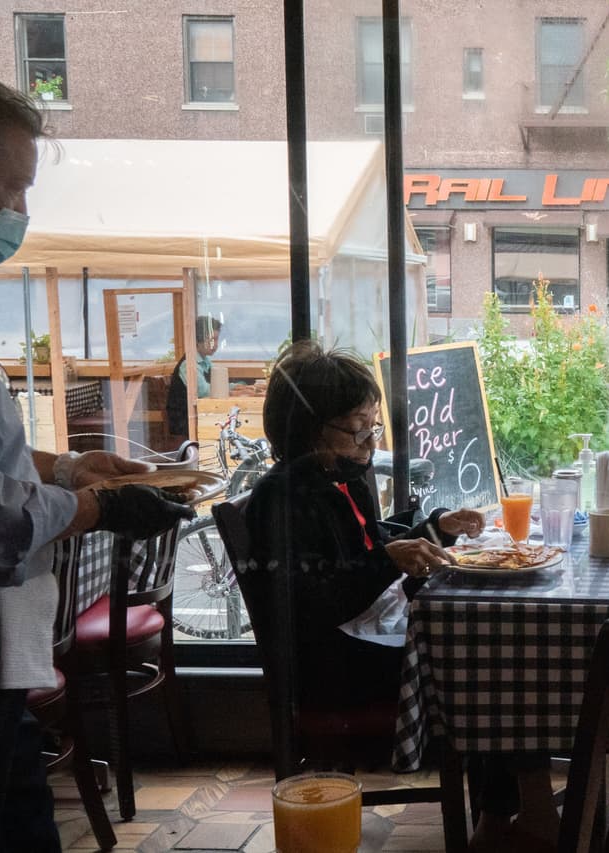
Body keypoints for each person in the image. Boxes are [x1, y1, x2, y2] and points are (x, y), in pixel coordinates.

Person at [0, 66, 194, 853]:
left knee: (16, 812)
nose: (19, 211)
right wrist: (100, 509)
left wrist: (70, 469)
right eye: (12, 185)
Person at [243, 342, 558, 852]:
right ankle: (511, 814)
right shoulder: (282, 499)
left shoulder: (340, 478)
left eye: (373, 427)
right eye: (356, 430)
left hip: (366, 638)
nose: (369, 443)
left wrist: (435, 530)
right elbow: (316, 600)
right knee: (496, 659)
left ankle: (507, 811)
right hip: (334, 666)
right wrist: (389, 560)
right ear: (307, 430)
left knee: (496, 636)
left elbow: (371, 546)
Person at [166, 314, 223, 439]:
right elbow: (204, 391)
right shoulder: (189, 364)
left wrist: (238, 387)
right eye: (212, 340)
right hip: (184, 424)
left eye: (217, 340)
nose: (216, 344)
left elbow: (216, 384)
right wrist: (233, 389)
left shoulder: (205, 361)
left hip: (198, 417)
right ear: (198, 340)